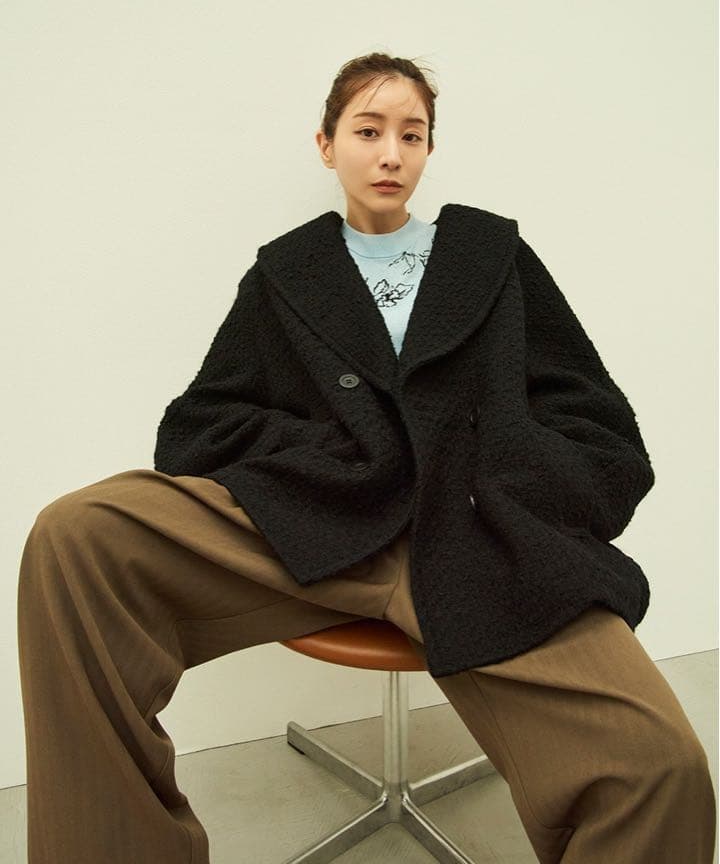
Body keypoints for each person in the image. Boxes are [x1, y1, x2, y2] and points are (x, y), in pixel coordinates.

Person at [17, 52, 716, 863]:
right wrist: (332, 452)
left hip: (477, 538)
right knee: (77, 537)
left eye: (411, 135)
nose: (391, 153)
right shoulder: (284, 274)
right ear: (327, 145)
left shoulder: (492, 257)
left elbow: (598, 423)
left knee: (659, 768)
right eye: (369, 130)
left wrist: (506, 482)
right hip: (323, 525)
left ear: (429, 150)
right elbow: (199, 426)